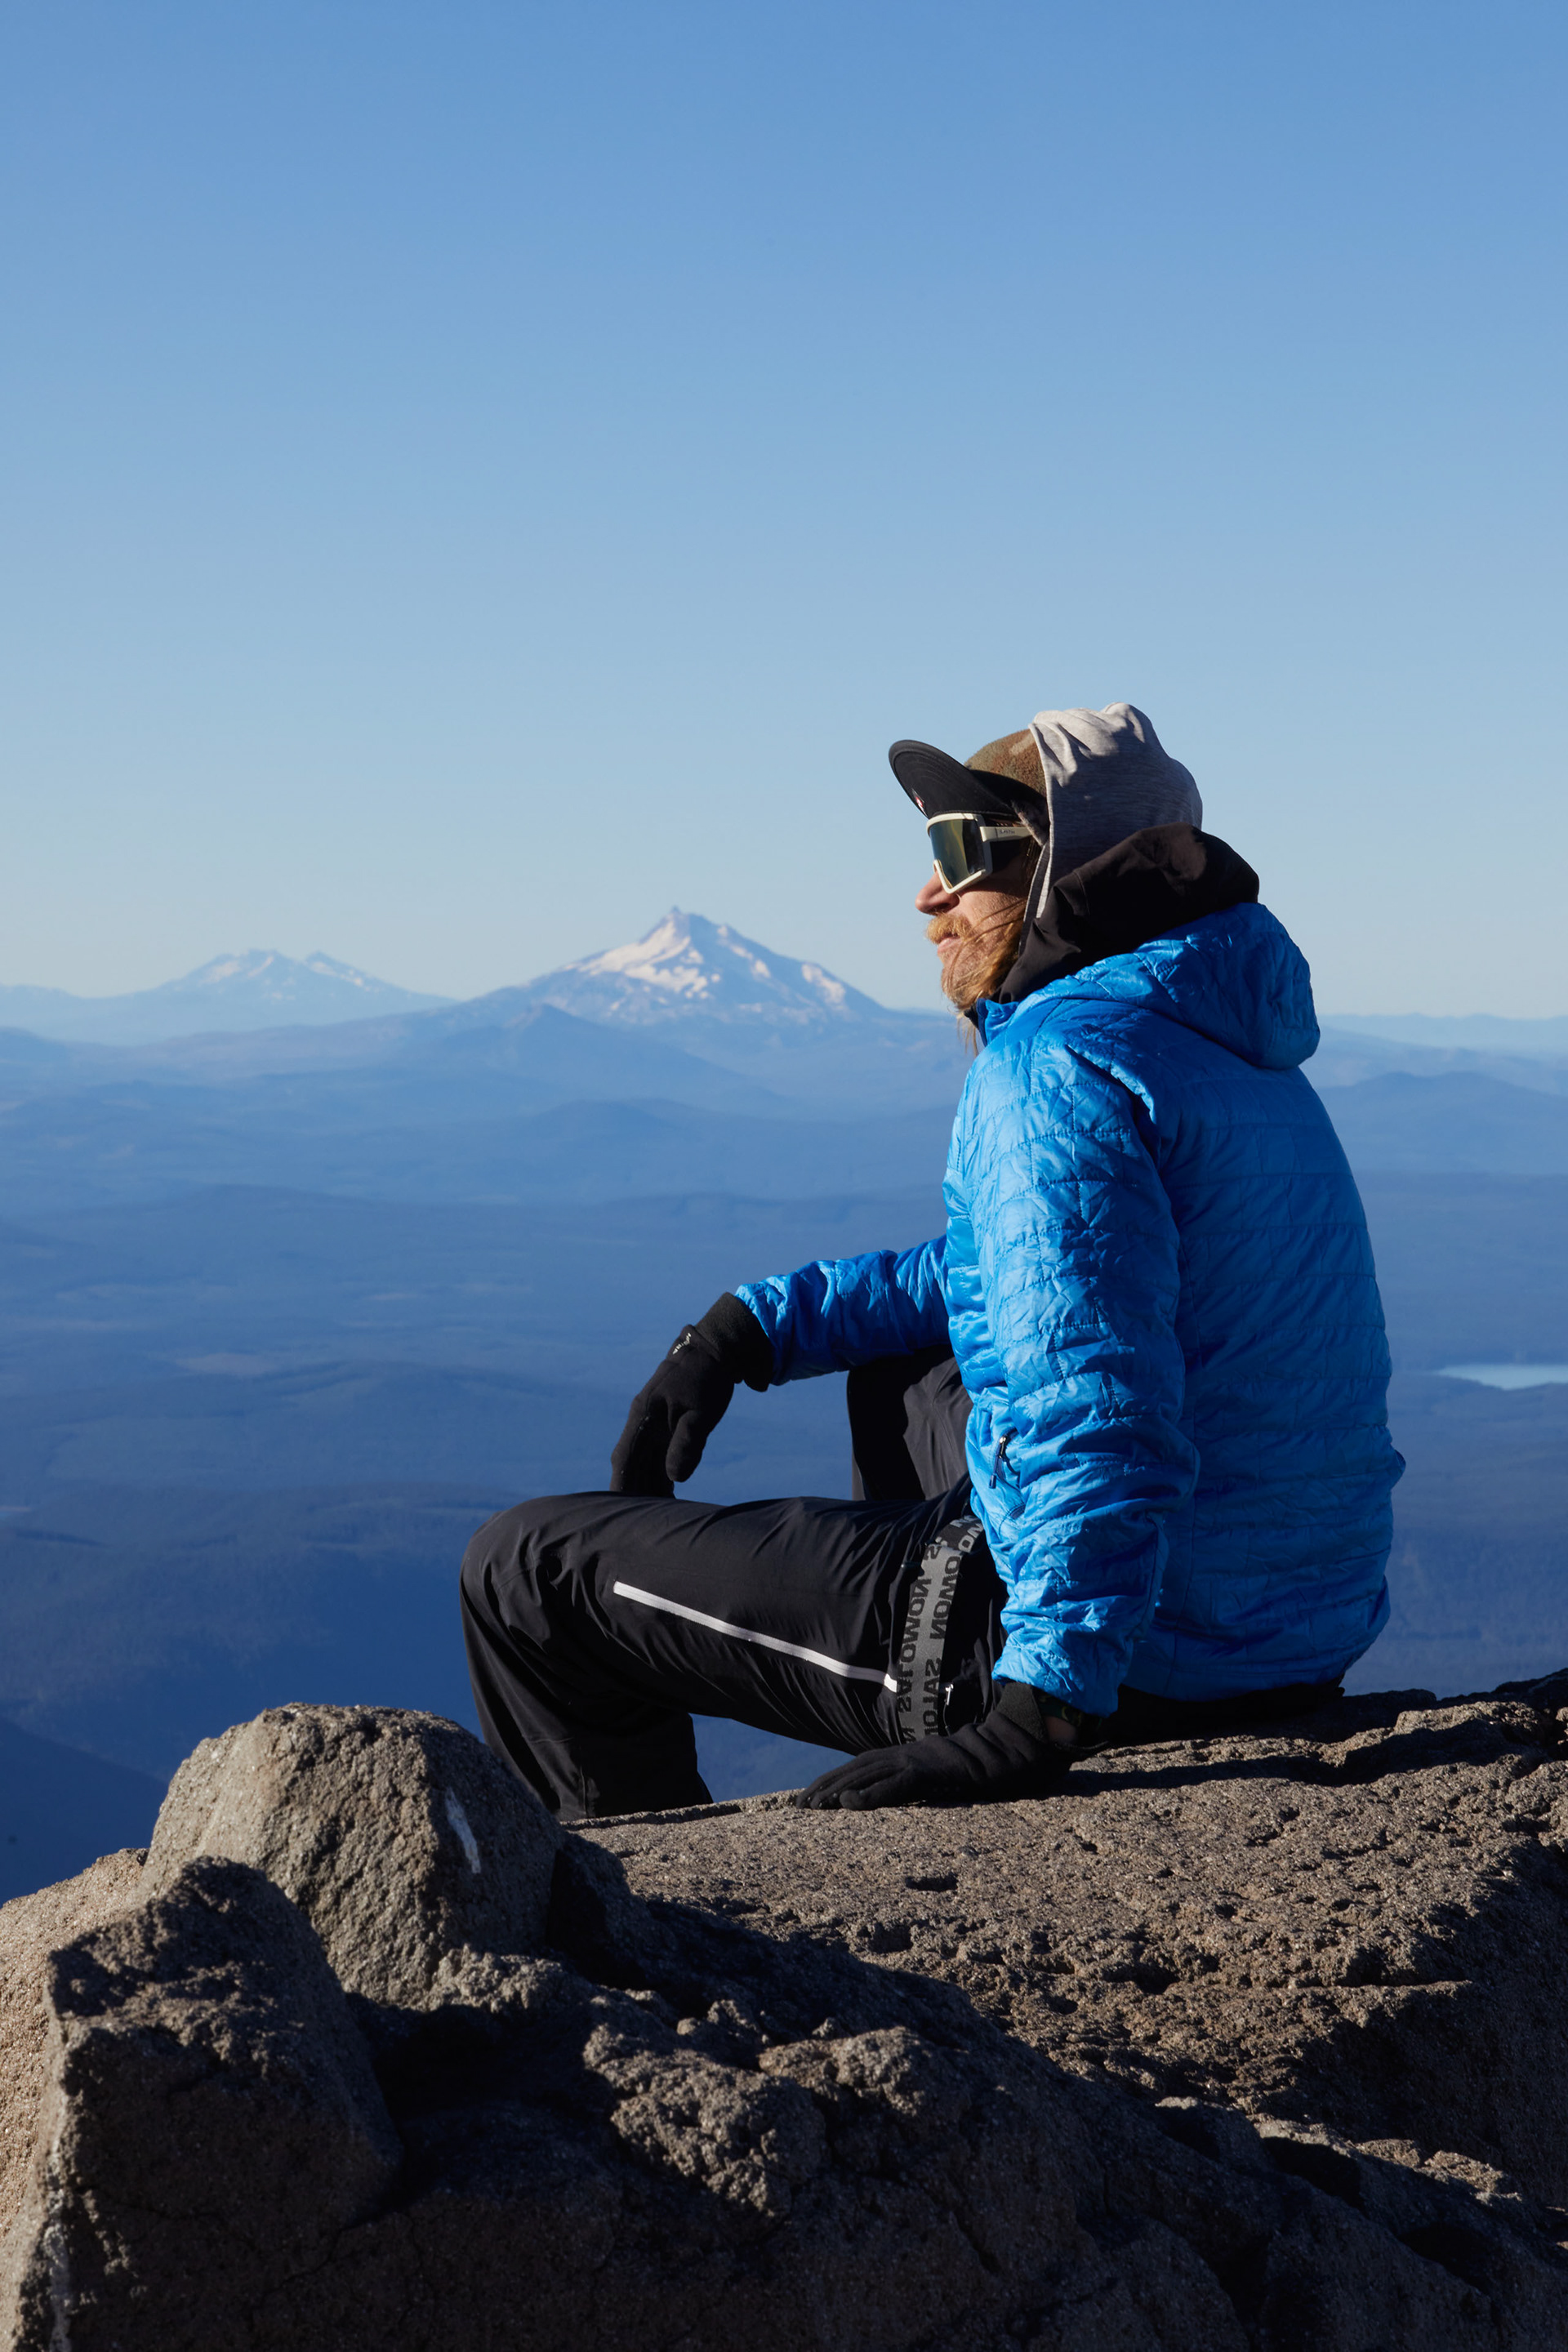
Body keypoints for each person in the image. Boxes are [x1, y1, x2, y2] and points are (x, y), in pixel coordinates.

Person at [461, 703, 1401, 1820]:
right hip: (1283, 1633)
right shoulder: (1227, 1050)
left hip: (1134, 1667)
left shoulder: (1056, 1065)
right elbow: (1020, 1276)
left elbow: (1097, 1409)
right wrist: (751, 1328)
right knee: (913, 1370)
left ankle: (637, 1890)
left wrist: (1038, 1712)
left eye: (961, 851)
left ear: (1062, 869)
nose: (928, 896)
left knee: (525, 1571)